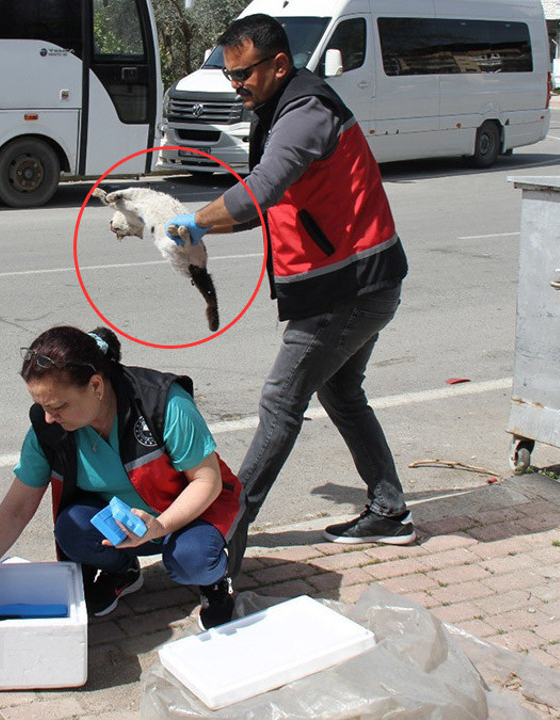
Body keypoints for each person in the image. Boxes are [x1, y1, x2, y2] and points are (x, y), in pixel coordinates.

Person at [166, 14, 414, 578]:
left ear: (279, 64)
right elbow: (264, 210)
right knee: (343, 393)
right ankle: (389, 509)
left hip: (348, 289)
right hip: (360, 281)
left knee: (281, 401)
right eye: (229, 75)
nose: (236, 85)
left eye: (243, 74)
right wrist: (192, 226)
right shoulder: (280, 108)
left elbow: (262, 190)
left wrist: (197, 220)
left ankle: (226, 529)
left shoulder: (305, 112)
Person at [0, 326, 242, 631]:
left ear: (96, 386)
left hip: (191, 514)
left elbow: (207, 481)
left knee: (192, 559)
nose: (48, 418)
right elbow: (16, 508)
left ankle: (215, 582)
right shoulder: (49, 430)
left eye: (57, 406)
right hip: (128, 527)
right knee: (72, 528)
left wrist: (159, 526)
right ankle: (124, 571)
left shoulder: (162, 403)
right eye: (41, 406)